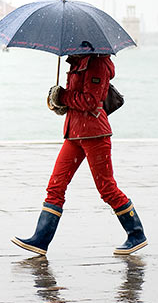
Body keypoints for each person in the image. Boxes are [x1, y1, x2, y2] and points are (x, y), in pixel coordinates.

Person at [12, 45, 147, 256]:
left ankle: (136, 234)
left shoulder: (98, 63)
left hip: (95, 134)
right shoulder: (76, 60)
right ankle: (40, 240)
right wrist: (59, 103)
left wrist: (63, 97)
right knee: (55, 185)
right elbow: (75, 98)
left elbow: (91, 101)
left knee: (107, 189)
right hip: (74, 133)